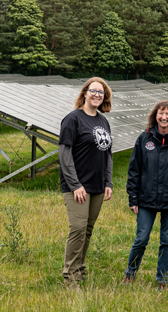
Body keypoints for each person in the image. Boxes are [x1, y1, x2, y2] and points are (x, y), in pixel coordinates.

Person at [121, 100, 168, 290]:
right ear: (155, 116)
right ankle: (130, 273)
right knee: (141, 239)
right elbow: (134, 171)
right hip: (146, 200)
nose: (164, 117)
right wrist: (133, 198)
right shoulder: (144, 139)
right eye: (161, 113)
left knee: (166, 241)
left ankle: (162, 280)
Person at [59, 77, 114, 291]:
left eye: (101, 93)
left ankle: (80, 270)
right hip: (77, 186)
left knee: (88, 230)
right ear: (84, 93)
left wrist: (108, 181)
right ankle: (70, 277)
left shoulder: (103, 121)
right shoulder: (73, 119)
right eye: (94, 91)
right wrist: (75, 185)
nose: (97, 95)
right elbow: (64, 155)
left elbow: (107, 154)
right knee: (78, 228)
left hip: (97, 185)